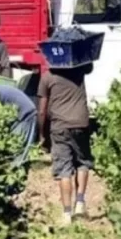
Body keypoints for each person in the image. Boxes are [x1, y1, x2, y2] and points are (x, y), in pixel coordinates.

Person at [37, 65, 94, 226]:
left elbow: (42, 111)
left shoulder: (47, 77)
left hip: (60, 127)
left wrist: (42, 134)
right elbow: (90, 66)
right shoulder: (79, 71)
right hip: (81, 124)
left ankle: (67, 214)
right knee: (83, 163)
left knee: (64, 170)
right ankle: (80, 203)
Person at [0, 84, 37, 168]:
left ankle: (16, 169)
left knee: (18, 146)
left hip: (26, 113)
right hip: (24, 111)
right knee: (15, 145)